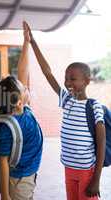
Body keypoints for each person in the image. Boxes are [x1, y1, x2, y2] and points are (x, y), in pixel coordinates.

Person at [24, 22, 106, 200]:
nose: (68, 83)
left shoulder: (94, 106)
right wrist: (33, 42)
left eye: (73, 79)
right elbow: (47, 73)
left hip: (87, 172)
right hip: (68, 168)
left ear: (86, 81)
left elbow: (101, 144)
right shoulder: (66, 100)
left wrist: (96, 179)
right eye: (66, 78)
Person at [0, 22, 43, 200]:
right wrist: (5, 195)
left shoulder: (22, 109)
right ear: (19, 102)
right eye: (24, 89)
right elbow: (3, 162)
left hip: (27, 175)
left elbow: (22, 70)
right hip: (18, 181)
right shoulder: (9, 127)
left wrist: (26, 42)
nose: (27, 87)